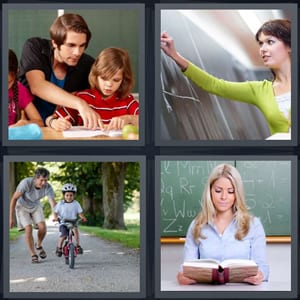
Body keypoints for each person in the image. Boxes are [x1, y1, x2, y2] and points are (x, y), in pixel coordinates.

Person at [160, 19, 291, 136]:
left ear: (290, 45)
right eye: (261, 44)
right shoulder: (259, 90)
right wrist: (175, 56)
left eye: (270, 42)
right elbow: (214, 85)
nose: (262, 49)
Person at [177, 164, 269, 286]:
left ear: (237, 194)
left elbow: (263, 267)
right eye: (218, 191)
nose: (223, 197)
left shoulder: (253, 225)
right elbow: (186, 267)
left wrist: (260, 275)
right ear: (210, 191)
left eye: (230, 192)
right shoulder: (197, 226)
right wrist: (182, 275)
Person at [19, 13, 101, 129]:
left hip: (61, 129)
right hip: (26, 127)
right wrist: (80, 103)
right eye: (71, 45)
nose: (77, 52)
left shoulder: (87, 65)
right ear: (55, 43)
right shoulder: (35, 47)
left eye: (82, 45)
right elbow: (37, 86)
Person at [45, 47, 139, 131]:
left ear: (124, 80)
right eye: (104, 78)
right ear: (96, 75)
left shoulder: (127, 100)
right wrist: (54, 123)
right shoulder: (83, 98)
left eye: (116, 80)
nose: (109, 84)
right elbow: (50, 119)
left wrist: (129, 119)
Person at [9, 167, 56, 264]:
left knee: (43, 227)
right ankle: (33, 254)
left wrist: (55, 214)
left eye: (46, 180)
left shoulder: (48, 187)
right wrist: (11, 218)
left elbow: (52, 202)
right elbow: (13, 199)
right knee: (28, 228)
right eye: (41, 180)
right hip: (22, 206)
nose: (44, 183)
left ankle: (38, 245)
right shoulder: (25, 183)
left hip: (35, 206)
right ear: (35, 178)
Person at [8, 49, 43, 127]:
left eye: (8, 82)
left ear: (17, 72)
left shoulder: (20, 90)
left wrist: (26, 123)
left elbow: (39, 122)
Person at [53, 183, 87, 256]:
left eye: (71, 195)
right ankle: (59, 248)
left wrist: (82, 217)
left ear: (74, 195)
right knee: (64, 235)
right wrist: (55, 217)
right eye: (67, 195)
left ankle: (78, 245)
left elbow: (80, 213)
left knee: (76, 232)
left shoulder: (76, 203)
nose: (69, 197)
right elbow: (55, 212)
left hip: (73, 222)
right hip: (63, 222)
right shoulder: (61, 203)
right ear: (64, 195)